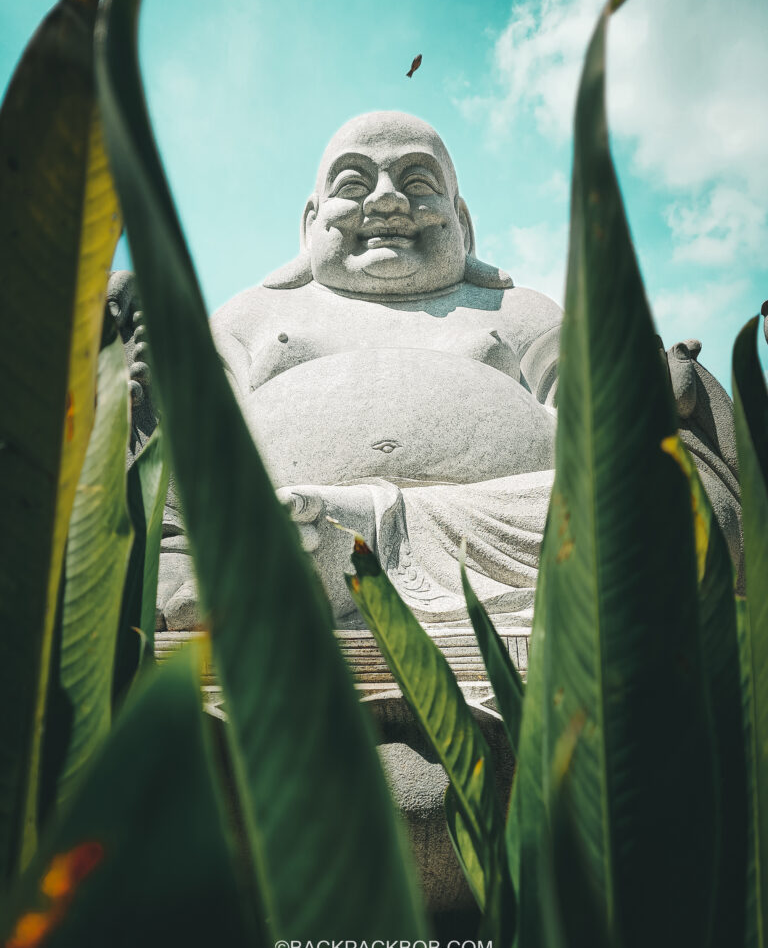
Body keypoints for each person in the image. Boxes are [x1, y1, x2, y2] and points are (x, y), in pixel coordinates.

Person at [153, 110, 742, 639]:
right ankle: (301, 552)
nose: (385, 202)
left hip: (491, 529)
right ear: (310, 223)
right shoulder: (246, 316)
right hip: (264, 523)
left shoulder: (522, 313)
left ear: (462, 220)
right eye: (353, 183)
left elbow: (598, 435)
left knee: (660, 494)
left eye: (416, 182)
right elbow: (181, 448)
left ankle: (345, 542)